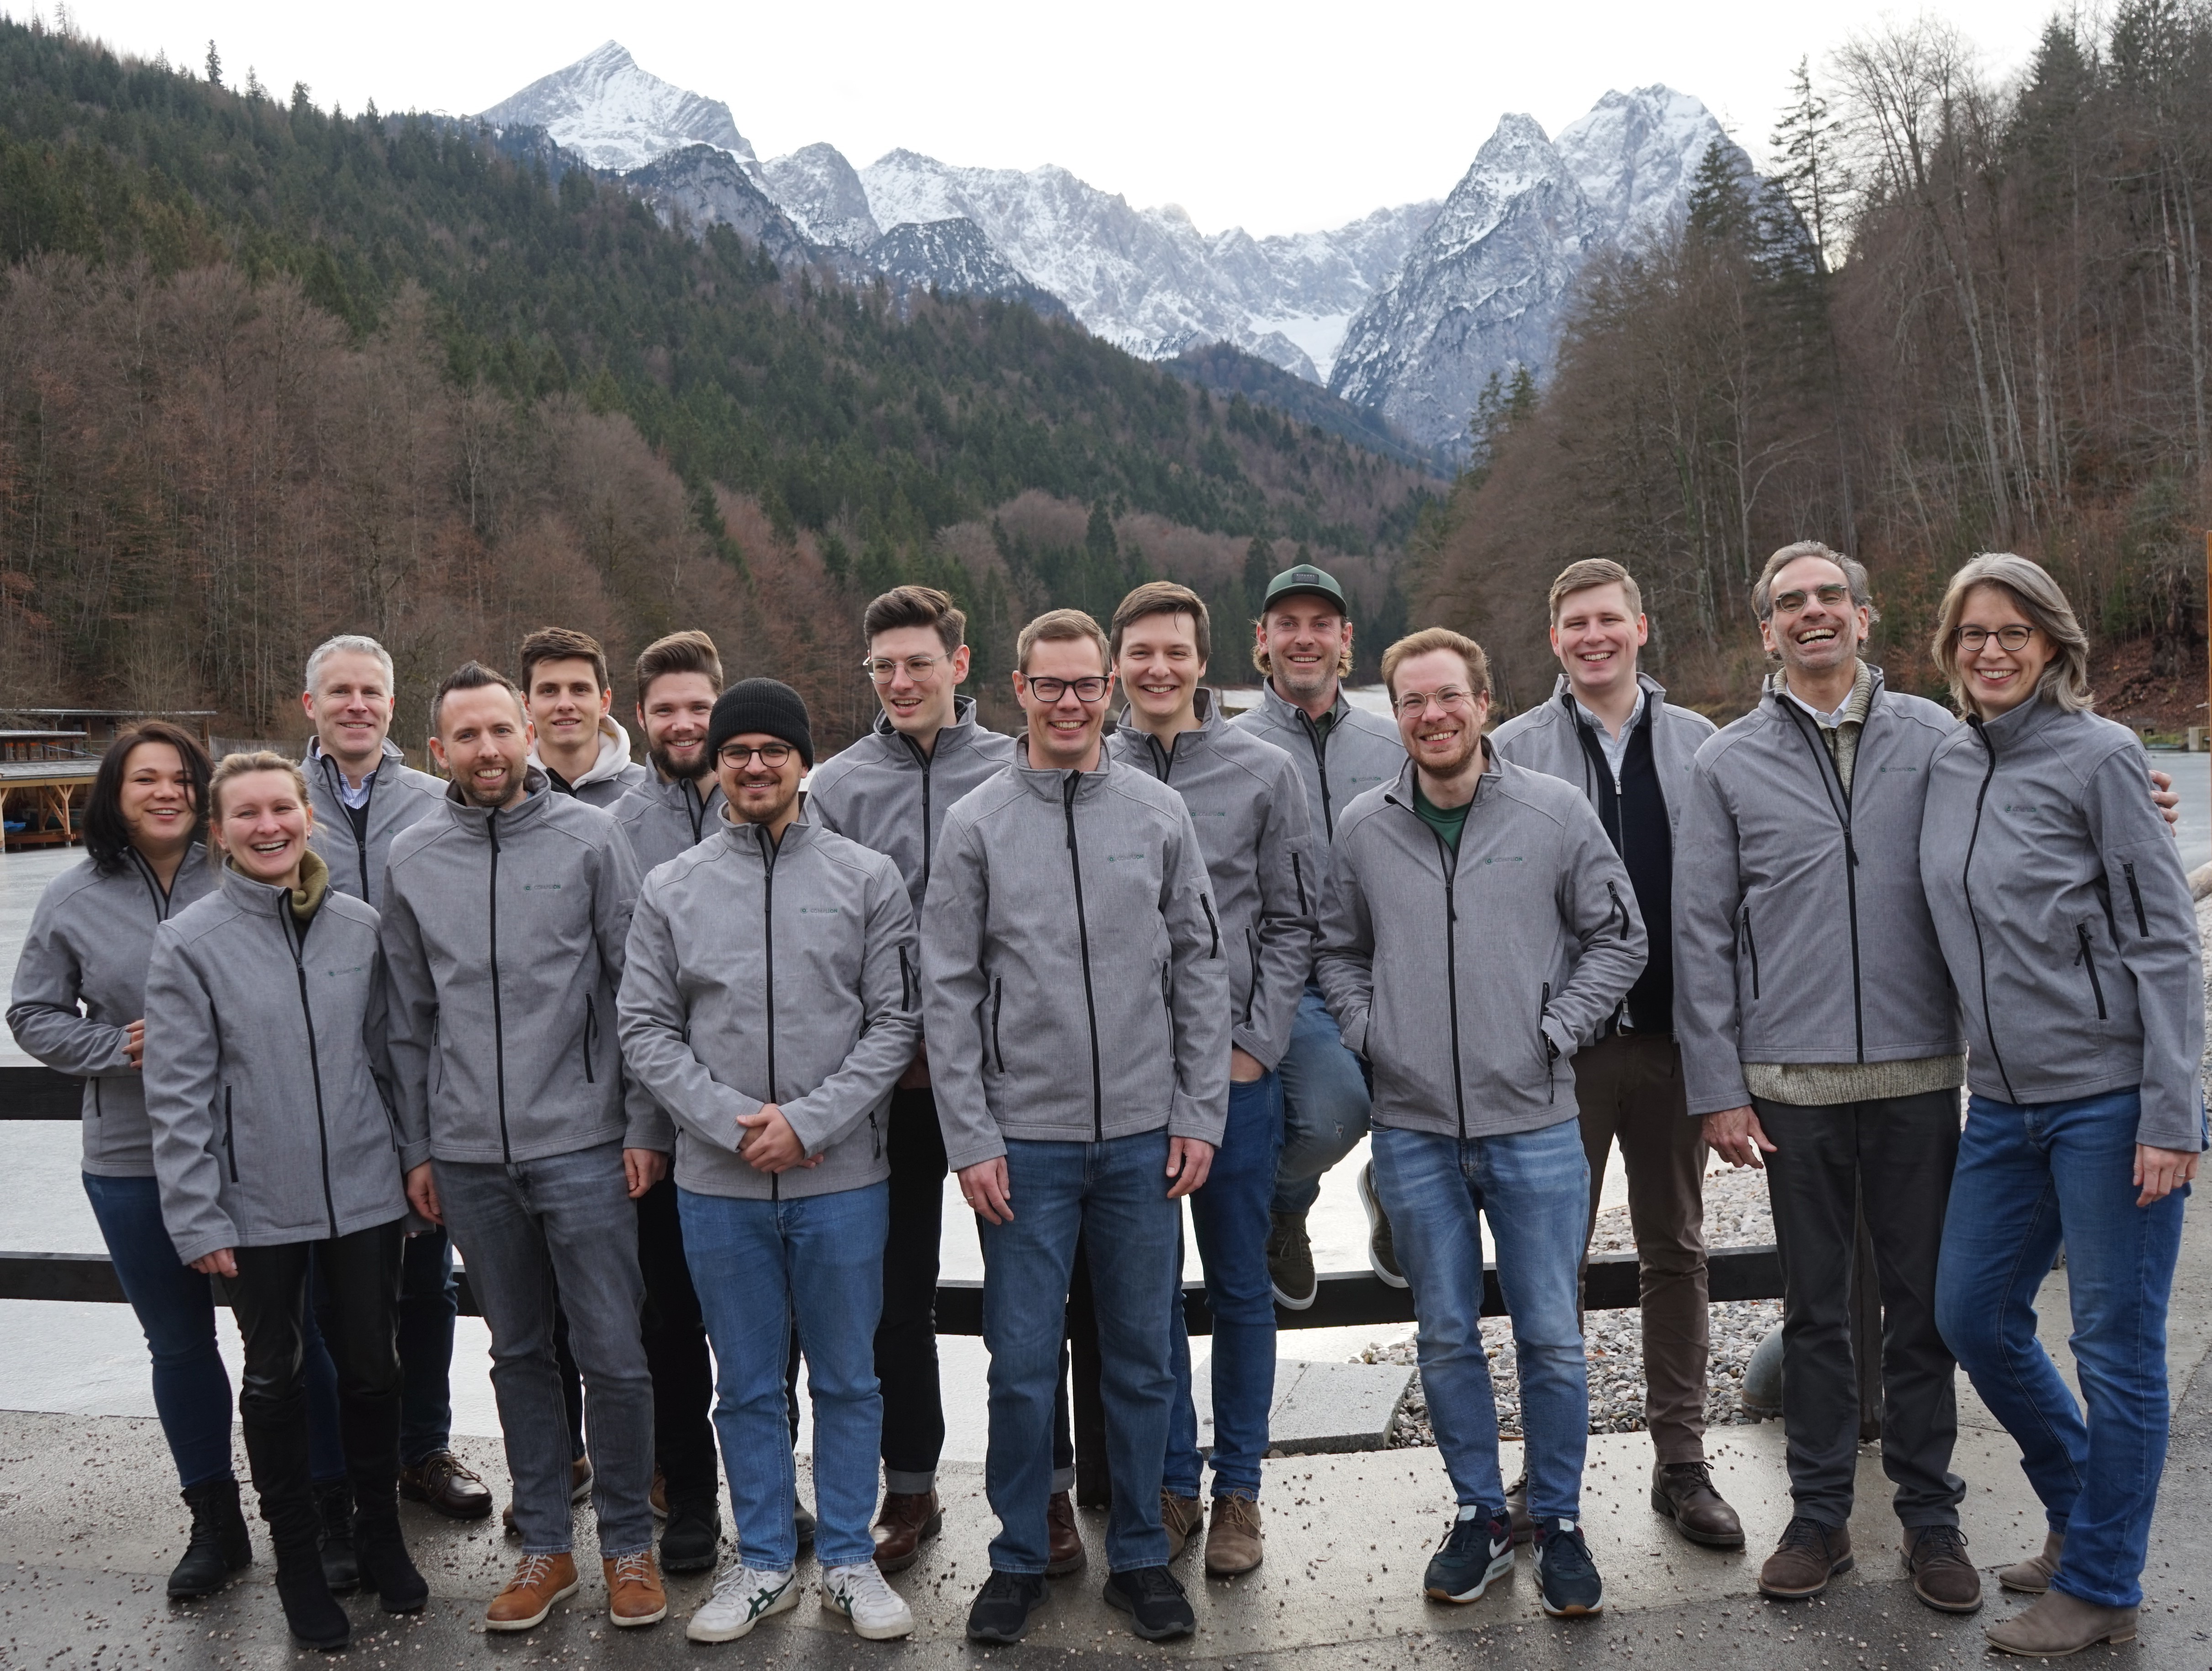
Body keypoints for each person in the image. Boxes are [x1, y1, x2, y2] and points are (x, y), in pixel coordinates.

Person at [1674, 540, 1983, 1612]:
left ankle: (1928, 1518)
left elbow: (2003, 857)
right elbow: (1699, 934)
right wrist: (1716, 1085)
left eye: (1825, 599)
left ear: (1861, 615)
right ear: (1765, 630)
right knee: (1811, 1310)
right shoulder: (1723, 762)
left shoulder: (1935, 740)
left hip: (1915, 1070)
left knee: (1920, 1306)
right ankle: (1816, 1518)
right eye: (1785, 603)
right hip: (1787, 1084)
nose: (1808, 615)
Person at [1317, 626, 1642, 1620]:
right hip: (1412, 1127)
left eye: (1448, 695)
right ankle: (1476, 1513)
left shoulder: (1554, 810)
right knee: (1446, 1331)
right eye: (1410, 700)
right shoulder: (1362, 824)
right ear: (1395, 714)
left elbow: (1617, 936)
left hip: (1536, 1120)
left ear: (1485, 699)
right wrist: (1376, 1031)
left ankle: (1562, 1519)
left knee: (1550, 1331)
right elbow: (1338, 948)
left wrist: (1555, 1031)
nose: (1432, 714)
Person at [924, 608, 1229, 1645]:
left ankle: (1140, 1551)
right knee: (1017, 1360)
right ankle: (1017, 1552)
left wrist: (1197, 1108)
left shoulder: (1154, 812)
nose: (1067, 700)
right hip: (1026, 1146)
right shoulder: (974, 822)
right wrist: (970, 1133)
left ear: (1106, 687)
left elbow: (1197, 963)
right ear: (1016, 687)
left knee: (1143, 1354)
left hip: (1144, 1137)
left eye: (1083, 683)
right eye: (1047, 683)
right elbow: (950, 989)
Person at [1919, 555, 2205, 1659]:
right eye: (1971, 633)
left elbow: (2164, 943)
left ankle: (2098, 1582)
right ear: (1947, 649)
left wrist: (2170, 1112)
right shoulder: (1944, 759)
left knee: (2114, 1346)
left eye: (2012, 631)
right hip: (1994, 1098)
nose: (1991, 650)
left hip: (2107, 1100)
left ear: (2051, 642)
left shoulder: (2102, 758)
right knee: (1971, 1314)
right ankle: (2081, 1502)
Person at [620, 679, 922, 1645]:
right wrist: (729, 1120)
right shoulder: (672, 885)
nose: (756, 765)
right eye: (738, 750)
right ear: (717, 763)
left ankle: (844, 1555)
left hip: (842, 1176)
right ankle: (761, 1561)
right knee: (745, 1381)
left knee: (847, 1376)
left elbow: (894, 1025)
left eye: (774, 750)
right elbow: (647, 1025)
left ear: (802, 758)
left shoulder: (867, 878)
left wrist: (810, 1119)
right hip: (720, 1185)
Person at [380, 661, 668, 1633]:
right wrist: (420, 1145)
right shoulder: (413, 856)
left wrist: (643, 1122)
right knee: (518, 1352)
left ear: (527, 735)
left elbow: (637, 991)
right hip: (468, 1154)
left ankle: (629, 1541)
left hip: (584, 1142)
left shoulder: (593, 837)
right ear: (439, 752)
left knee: (615, 1351)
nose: (489, 750)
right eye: (467, 736)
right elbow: (409, 1017)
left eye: (502, 730)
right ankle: (547, 1543)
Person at [142, 753, 426, 1651]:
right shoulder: (189, 941)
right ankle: (302, 1561)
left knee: (375, 1366)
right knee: (276, 1374)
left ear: (308, 816)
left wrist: (417, 1161)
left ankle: (379, 1531)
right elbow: (179, 1092)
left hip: (367, 1189)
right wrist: (197, 1212)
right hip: (256, 1196)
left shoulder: (359, 925)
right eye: (247, 814)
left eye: (283, 809)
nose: (269, 826)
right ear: (218, 831)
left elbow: (396, 1057)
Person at [1487, 560, 1741, 1550]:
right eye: (1574, 624)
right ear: (1554, 641)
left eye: (1609, 619)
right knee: (1548, 1261)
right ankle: (1544, 1472)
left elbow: (1741, 889)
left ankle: (1682, 1463)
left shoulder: (1701, 745)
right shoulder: (1512, 747)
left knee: (1675, 1246)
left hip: (1680, 1042)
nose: (1594, 636)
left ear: (1642, 626)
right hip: (1567, 1054)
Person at [804, 585, 1024, 1572]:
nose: (900, 682)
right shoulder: (839, 786)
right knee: (893, 1300)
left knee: (1027, 1296)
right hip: (886, 1088)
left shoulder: (1015, 765)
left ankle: (1043, 1494)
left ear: (960, 664)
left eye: (917, 663)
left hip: (1004, 1081)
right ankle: (911, 1485)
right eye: (883, 667)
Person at [1104, 581, 1315, 1577]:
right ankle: (1169, 1484)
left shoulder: (1263, 769)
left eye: (1175, 651)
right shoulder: (1085, 765)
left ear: (1205, 659)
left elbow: (1290, 919)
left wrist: (1257, 1044)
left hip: (1233, 1073)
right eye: (1140, 651)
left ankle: (1239, 1489)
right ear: (1116, 663)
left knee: (1238, 1285)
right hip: (1126, 1083)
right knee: (1144, 1297)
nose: (1158, 668)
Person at [8, 723, 235, 1599]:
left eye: (182, 778)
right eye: (147, 779)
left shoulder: (246, 871)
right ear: (116, 791)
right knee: (178, 1343)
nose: (168, 792)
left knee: (289, 1339)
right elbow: (31, 1013)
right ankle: (212, 1520)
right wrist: (115, 1044)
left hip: (249, 1151)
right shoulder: (72, 895)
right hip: (130, 1154)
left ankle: (316, 1511)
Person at [297, 634, 490, 1526]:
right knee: (325, 1285)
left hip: (427, 1071)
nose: (356, 705)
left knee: (426, 1277)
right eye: (339, 691)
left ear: (394, 702)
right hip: (319, 1081)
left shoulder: (435, 801)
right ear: (312, 706)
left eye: (372, 690)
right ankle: (339, 1460)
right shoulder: (280, 804)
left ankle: (422, 1447)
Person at [1227, 562, 1403, 1307]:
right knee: (1334, 1111)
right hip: (1290, 977)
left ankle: (1395, 1193)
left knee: (1455, 1108)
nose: (1305, 639)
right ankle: (1282, 1208)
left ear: (1345, 638)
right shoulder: (1228, 748)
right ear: (1262, 639)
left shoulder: (1394, 739)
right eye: (1287, 624)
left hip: (1391, 969)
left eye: (1320, 624)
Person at [607, 631, 729, 1578]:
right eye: (666, 709)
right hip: (656, 1128)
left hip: (766, 1127)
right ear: (639, 716)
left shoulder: (779, 798)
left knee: (778, 1330)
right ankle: (688, 1495)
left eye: (699, 706)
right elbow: (617, 992)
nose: (684, 723)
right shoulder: (612, 826)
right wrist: (648, 1122)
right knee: (669, 1323)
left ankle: (777, 1485)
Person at [521, 625, 649, 807]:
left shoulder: (649, 793)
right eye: (549, 691)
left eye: (580, 690)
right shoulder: (509, 797)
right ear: (527, 706)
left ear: (604, 702)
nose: (565, 704)